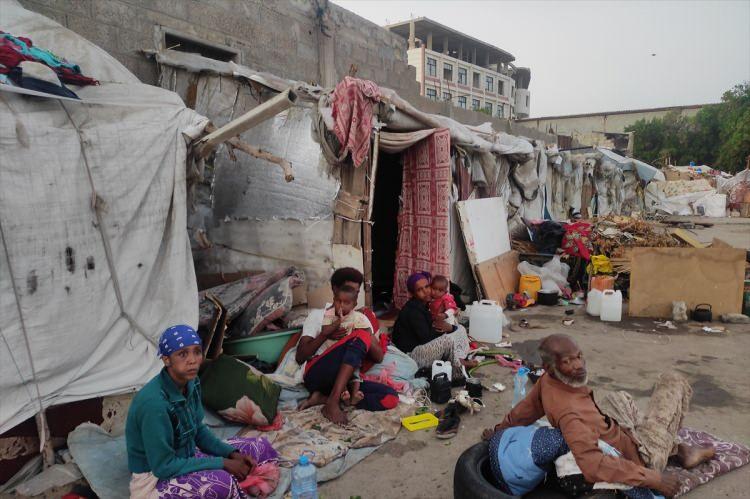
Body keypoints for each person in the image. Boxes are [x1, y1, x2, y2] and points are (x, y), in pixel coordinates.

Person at [482, 334, 715, 498]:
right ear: (550, 367)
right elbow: (593, 465)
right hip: (639, 456)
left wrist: (499, 431)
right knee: (673, 382)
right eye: (568, 361)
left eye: (579, 356)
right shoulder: (572, 416)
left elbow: (523, 412)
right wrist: (654, 478)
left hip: (613, 430)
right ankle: (681, 451)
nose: (579, 365)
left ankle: (674, 446)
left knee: (619, 398)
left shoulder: (547, 382)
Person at [126, 325, 278, 499]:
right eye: (182, 354)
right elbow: (163, 466)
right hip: (155, 477)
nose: (192, 360)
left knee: (258, 447)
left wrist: (231, 454)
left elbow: (198, 431)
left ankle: (244, 482)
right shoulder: (154, 405)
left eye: (197, 352)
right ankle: (239, 484)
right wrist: (222, 463)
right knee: (223, 483)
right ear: (166, 360)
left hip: (188, 453)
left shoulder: (192, 383)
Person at [296, 268, 398, 425]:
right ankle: (332, 404)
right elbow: (300, 356)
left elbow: (378, 357)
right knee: (360, 336)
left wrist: (361, 331)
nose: (353, 296)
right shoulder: (318, 315)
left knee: (390, 398)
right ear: (335, 290)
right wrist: (325, 334)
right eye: (349, 290)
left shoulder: (360, 319)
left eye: (356, 293)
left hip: (346, 381)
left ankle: (323, 399)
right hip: (317, 375)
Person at [392, 272, 475, 381]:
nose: (425, 291)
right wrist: (446, 329)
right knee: (447, 340)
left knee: (459, 329)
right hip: (411, 356)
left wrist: (449, 328)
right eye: (419, 290)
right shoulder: (413, 311)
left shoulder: (423, 305)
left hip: (419, 348)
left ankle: (458, 361)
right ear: (413, 293)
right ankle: (457, 373)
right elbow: (427, 338)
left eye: (426, 286)